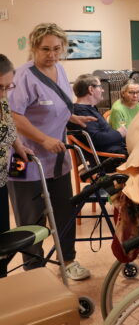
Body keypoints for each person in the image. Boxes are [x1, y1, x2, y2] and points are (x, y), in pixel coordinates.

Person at [8, 23, 95, 280]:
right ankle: (33, 271)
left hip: (57, 158)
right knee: (31, 219)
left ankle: (68, 260)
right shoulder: (22, 77)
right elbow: (14, 116)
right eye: (45, 49)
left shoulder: (59, 68)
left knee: (64, 210)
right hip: (26, 158)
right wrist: (43, 139)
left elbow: (60, 104)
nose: (52, 54)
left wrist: (73, 118)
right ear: (34, 47)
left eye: (57, 49)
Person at [0, 55, 33, 277]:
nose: (3, 93)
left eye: (6, 87)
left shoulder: (2, 100)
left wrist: (20, 147)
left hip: (1, 180)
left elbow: (9, 125)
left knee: (2, 241)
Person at [68, 74, 127, 161]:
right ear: (91, 90)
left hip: (113, 153)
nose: (103, 90)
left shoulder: (89, 108)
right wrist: (119, 133)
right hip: (108, 159)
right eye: (100, 87)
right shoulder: (80, 112)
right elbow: (96, 139)